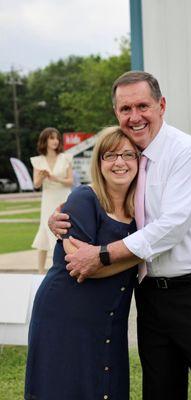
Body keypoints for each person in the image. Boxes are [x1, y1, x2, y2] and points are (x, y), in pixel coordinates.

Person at [49, 71, 191, 400]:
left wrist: (102, 255)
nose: (134, 117)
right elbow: (112, 206)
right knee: (160, 390)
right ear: (116, 113)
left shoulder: (186, 153)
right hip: (151, 295)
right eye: (126, 109)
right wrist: (64, 215)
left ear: (161, 105)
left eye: (143, 106)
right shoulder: (133, 161)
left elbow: (172, 225)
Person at [25, 127, 140, 400]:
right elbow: (83, 267)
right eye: (110, 155)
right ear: (98, 162)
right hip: (65, 313)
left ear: (139, 160)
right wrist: (141, 252)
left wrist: (143, 248)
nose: (120, 162)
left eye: (128, 154)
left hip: (109, 317)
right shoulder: (84, 199)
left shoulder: (142, 208)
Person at [30, 127, 73, 273]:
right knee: (44, 230)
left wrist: (55, 178)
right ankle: (40, 271)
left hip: (64, 197)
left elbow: (70, 181)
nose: (55, 141)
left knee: (65, 229)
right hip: (48, 198)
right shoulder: (38, 161)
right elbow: (36, 184)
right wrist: (42, 176)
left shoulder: (65, 158)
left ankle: (64, 267)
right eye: (51, 138)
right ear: (45, 140)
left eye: (57, 138)